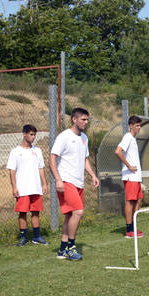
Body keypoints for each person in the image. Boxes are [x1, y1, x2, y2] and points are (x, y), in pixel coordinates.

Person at [49, 107, 99, 260]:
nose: (85, 122)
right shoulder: (64, 136)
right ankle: (71, 247)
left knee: (70, 215)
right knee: (78, 212)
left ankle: (63, 249)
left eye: (87, 120)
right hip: (66, 180)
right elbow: (51, 158)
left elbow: (85, 160)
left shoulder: (84, 137)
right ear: (74, 119)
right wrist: (57, 179)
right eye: (83, 119)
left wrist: (92, 175)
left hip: (79, 182)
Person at [7, 124, 49, 246]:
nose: (33, 137)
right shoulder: (15, 152)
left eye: (35, 134)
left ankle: (37, 236)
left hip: (35, 188)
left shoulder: (37, 150)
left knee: (36, 212)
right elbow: (12, 171)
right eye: (31, 134)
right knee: (23, 212)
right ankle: (23, 237)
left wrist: (44, 184)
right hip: (22, 188)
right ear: (24, 134)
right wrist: (14, 187)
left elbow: (41, 168)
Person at [115, 115, 144, 238]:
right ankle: (129, 229)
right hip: (130, 177)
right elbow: (118, 151)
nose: (139, 128)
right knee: (130, 201)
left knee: (139, 199)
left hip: (136, 177)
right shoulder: (127, 137)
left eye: (139, 125)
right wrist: (129, 166)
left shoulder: (133, 139)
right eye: (137, 125)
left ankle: (134, 225)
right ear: (131, 126)